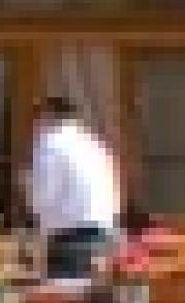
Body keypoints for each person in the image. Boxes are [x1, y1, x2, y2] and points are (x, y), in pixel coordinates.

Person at [26, 85, 126, 284]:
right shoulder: (92, 143)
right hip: (105, 235)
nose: (34, 125)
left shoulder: (50, 142)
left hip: (72, 239)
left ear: (48, 116)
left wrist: (27, 185)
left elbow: (42, 197)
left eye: (37, 117)